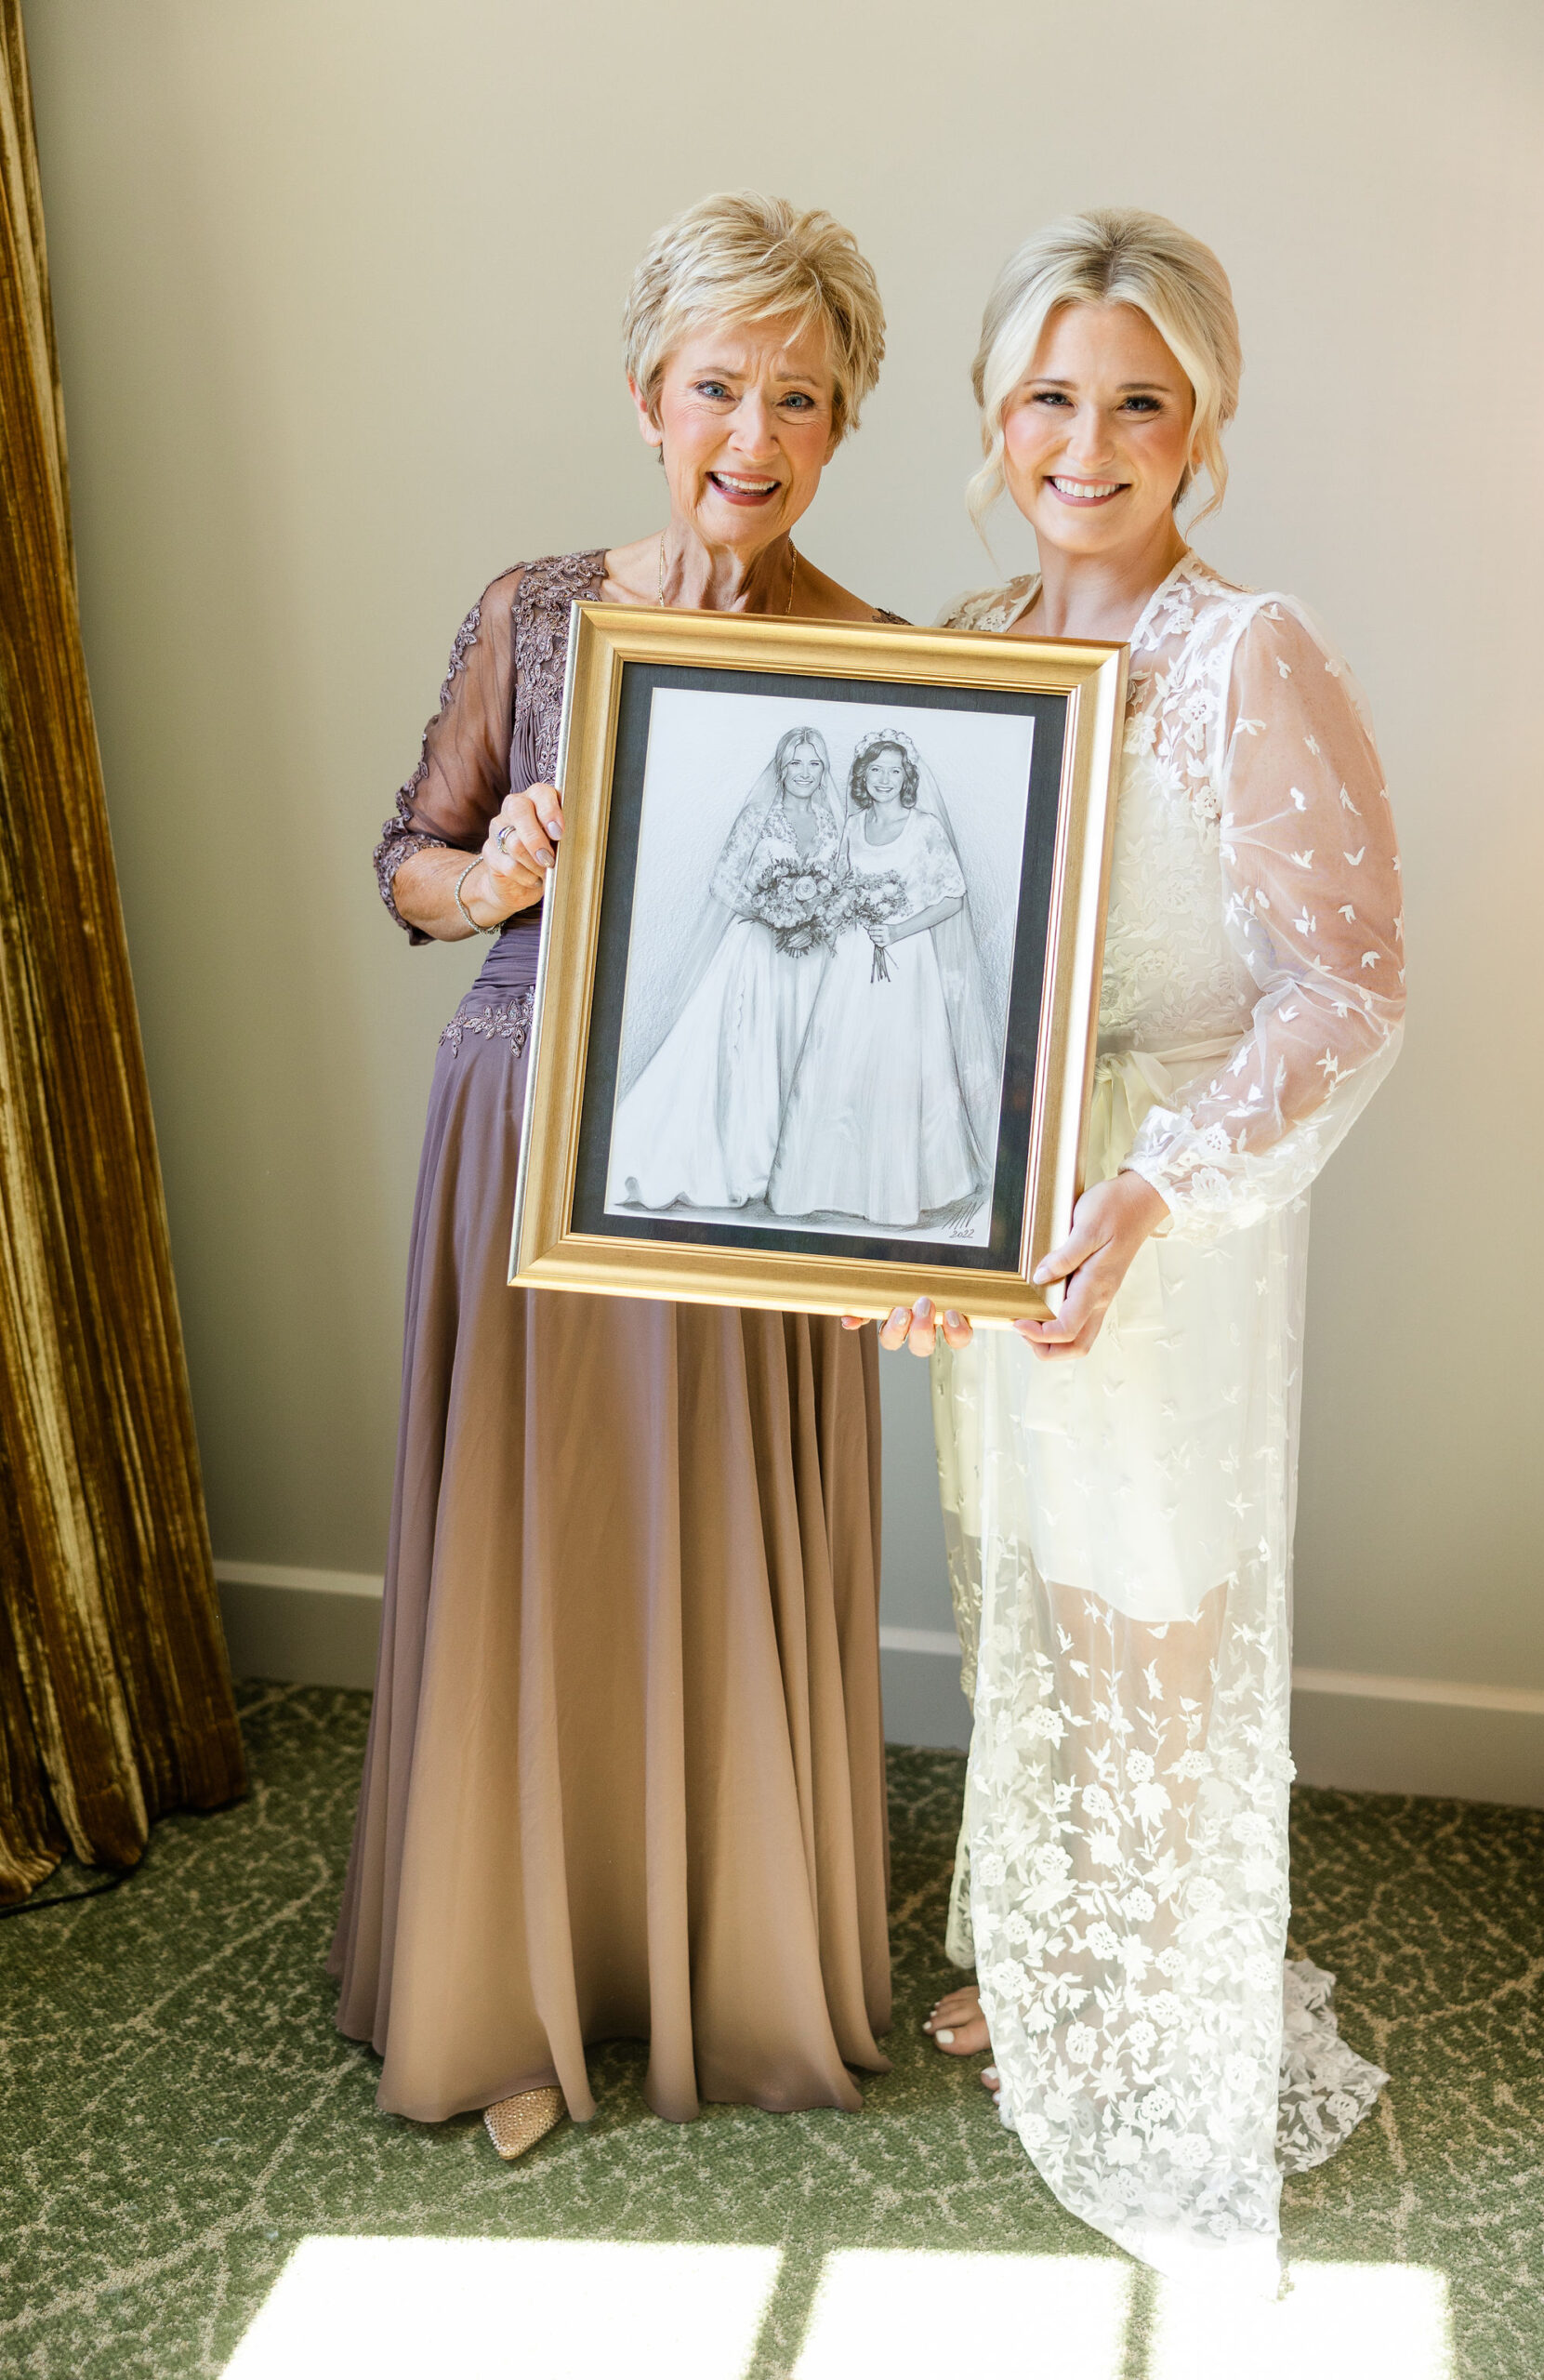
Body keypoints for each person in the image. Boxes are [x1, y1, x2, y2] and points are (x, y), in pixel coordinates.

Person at [332, 192, 904, 2162]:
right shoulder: (539, 609)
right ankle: (504, 1975)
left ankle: (714, 1962)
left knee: (710, 1535)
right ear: (650, 395)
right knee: (537, 1544)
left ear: (840, 429)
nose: (754, 429)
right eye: (718, 384)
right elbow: (408, 857)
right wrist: (497, 874)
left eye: (800, 397)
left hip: (747, 1167)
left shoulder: (880, 662)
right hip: (531, 1134)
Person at [877, 208, 1405, 2288]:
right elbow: (920, 970)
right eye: (1046, 398)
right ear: (993, 419)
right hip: (1001, 1194)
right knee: (1016, 1567)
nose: (1083, 441)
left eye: (1134, 402)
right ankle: (1045, 1943)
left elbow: (1342, 982)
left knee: (1149, 1595)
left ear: (1200, 425)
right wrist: (904, 1202)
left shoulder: (1243, 647)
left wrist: (1154, 1179)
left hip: (1163, 1205)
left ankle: (1150, 1997)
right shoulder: (963, 634)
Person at [606, 726, 845, 1211]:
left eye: (813, 763)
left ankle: (798, 1168)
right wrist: (771, 912)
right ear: (781, 766)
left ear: (824, 770)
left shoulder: (832, 821)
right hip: (758, 952)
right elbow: (724, 882)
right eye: (795, 763)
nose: (804, 773)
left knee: (805, 1050)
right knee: (753, 1052)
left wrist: (811, 921)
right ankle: (748, 1162)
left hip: (809, 955)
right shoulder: (760, 816)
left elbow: (840, 886)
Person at [768, 729, 996, 1229]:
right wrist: (840, 912)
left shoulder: (925, 828)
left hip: (905, 960)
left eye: (894, 771)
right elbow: (836, 888)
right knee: (841, 1058)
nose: (885, 780)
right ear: (862, 776)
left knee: (896, 1063)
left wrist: (895, 930)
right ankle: (824, 1186)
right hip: (852, 956)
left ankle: (895, 1194)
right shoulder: (849, 827)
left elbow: (952, 897)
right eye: (876, 770)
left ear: (907, 777)